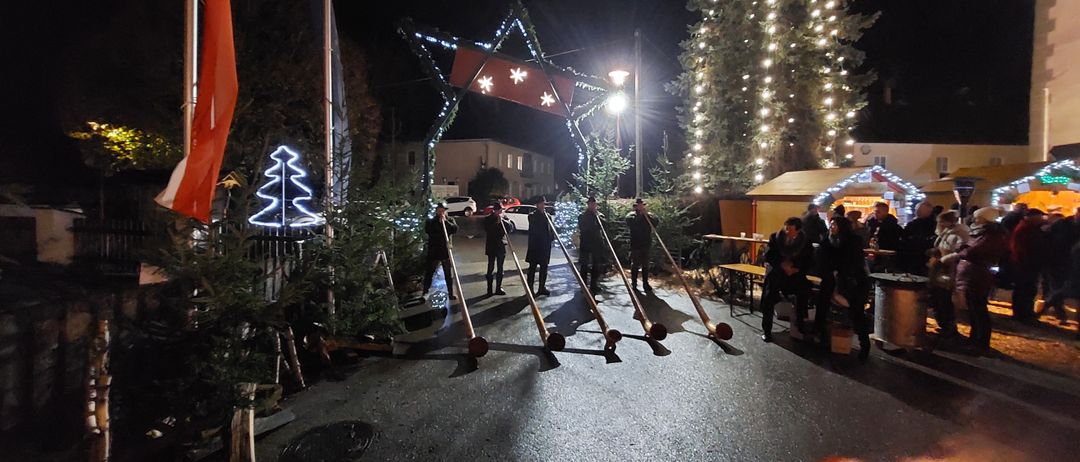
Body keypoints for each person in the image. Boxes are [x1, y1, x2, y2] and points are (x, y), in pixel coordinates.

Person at [942, 207, 1009, 354]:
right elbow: (969, 247)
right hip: (970, 275)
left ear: (985, 219)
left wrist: (959, 253)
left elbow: (974, 251)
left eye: (978, 217)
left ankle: (981, 342)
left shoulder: (992, 235)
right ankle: (974, 338)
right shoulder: (980, 232)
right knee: (973, 309)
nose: (975, 220)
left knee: (979, 309)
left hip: (979, 275)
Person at [818, 215, 873, 362]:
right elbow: (822, 259)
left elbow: (854, 261)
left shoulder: (853, 241)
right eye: (831, 224)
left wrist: (841, 272)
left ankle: (864, 345)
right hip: (832, 280)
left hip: (853, 281)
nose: (831, 227)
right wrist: (830, 272)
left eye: (834, 224)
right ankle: (822, 338)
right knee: (822, 306)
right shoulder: (826, 241)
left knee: (857, 313)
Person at [760, 217, 813, 343]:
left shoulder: (804, 241)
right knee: (768, 297)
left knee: (804, 290)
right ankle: (767, 331)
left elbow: (809, 260)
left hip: (795, 273)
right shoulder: (776, 237)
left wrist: (797, 268)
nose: (786, 231)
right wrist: (782, 265)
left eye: (790, 229)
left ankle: (800, 325)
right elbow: (769, 255)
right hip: (777, 272)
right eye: (786, 227)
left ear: (798, 231)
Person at [927, 210, 969, 339]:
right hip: (939, 268)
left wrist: (945, 258)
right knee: (937, 297)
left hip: (948, 269)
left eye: (941, 221)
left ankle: (949, 327)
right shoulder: (946, 232)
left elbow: (960, 252)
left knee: (944, 298)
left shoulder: (959, 234)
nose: (939, 224)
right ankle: (943, 325)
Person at [1009, 209, 1048, 323]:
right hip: (1025, 265)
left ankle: (1024, 313)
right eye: (1040, 217)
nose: (1041, 219)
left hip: (1028, 264)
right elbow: (1021, 248)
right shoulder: (1025, 229)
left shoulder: (1030, 228)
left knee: (1027, 290)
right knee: (1024, 290)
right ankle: (1022, 314)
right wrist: (1026, 262)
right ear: (1033, 217)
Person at [1042, 209, 1080, 322]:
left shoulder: (1067, 225)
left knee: (1061, 290)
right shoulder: (1062, 225)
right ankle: (1058, 312)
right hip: (1058, 262)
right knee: (1059, 289)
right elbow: (1050, 240)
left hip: (1071, 265)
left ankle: (1050, 309)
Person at [423, 203, 458, 300]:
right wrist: (438, 223)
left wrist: (445, 222)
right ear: (436, 211)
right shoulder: (431, 221)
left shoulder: (450, 220)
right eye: (439, 211)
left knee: (448, 274)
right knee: (429, 272)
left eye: (443, 211)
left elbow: (454, 229)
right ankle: (425, 292)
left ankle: (450, 293)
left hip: (445, 251)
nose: (441, 212)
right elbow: (429, 231)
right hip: (434, 251)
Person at [626, 198, 659, 293]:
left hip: (646, 243)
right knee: (635, 264)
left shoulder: (648, 216)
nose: (641, 207)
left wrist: (647, 215)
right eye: (639, 205)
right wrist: (641, 215)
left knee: (645, 265)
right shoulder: (631, 216)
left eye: (642, 205)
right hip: (635, 244)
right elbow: (631, 223)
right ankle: (634, 283)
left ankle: (645, 283)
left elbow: (656, 221)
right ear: (636, 206)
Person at [526, 197, 555, 296]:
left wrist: (551, 238)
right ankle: (530, 289)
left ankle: (542, 287)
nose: (543, 206)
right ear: (537, 205)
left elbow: (550, 230)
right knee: (532, 269)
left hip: (545, 247)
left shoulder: (548, 216)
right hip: (535, 246)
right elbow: (536, 227)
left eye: (544, 204)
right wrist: (543, 215)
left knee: (544, 268)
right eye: (541, 204)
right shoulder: (532, 216)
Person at [578, 196, 606, 293]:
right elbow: (583, 227)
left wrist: (596, 216)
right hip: (586, 243)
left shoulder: (599, 215)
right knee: (584, 265)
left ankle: (594, 284)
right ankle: (583, 285)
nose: (593, 206)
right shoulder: (583, 216)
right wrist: (593, 218)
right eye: (591, 204)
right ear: (588, 205)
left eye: (594, 204)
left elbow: (604, 225)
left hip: (596, 243)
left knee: (596, 265)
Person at [484, 203, 513, 296]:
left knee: (500, 268)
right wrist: (496, 222)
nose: (501, 212)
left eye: (502, 210)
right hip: (492, 246)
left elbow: (510, 228)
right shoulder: (488, 219)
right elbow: (487, 229)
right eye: (499, 211)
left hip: (501, 246)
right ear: (495, 210)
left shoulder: (504, 218)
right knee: (490, 268)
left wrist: (503, 221)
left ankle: (498, 288)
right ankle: (489, 289)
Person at [900, 202, 937, 275]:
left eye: (917, 210)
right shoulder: (934, 225)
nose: (915, 211)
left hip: (918, 255)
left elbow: (905, 238)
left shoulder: (916, 224)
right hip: (917, 255)